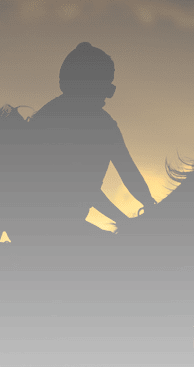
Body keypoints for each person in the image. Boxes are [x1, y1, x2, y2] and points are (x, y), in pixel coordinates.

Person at [9, 42, 157, 265]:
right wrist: (122, 220)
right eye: (104, 84)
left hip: (66, 226)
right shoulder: (52, 120)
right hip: (37, 228)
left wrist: (151, 205)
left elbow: (128, 172)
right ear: (86, 83)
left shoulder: (104, 124)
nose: (108, 94)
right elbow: (81, 187)